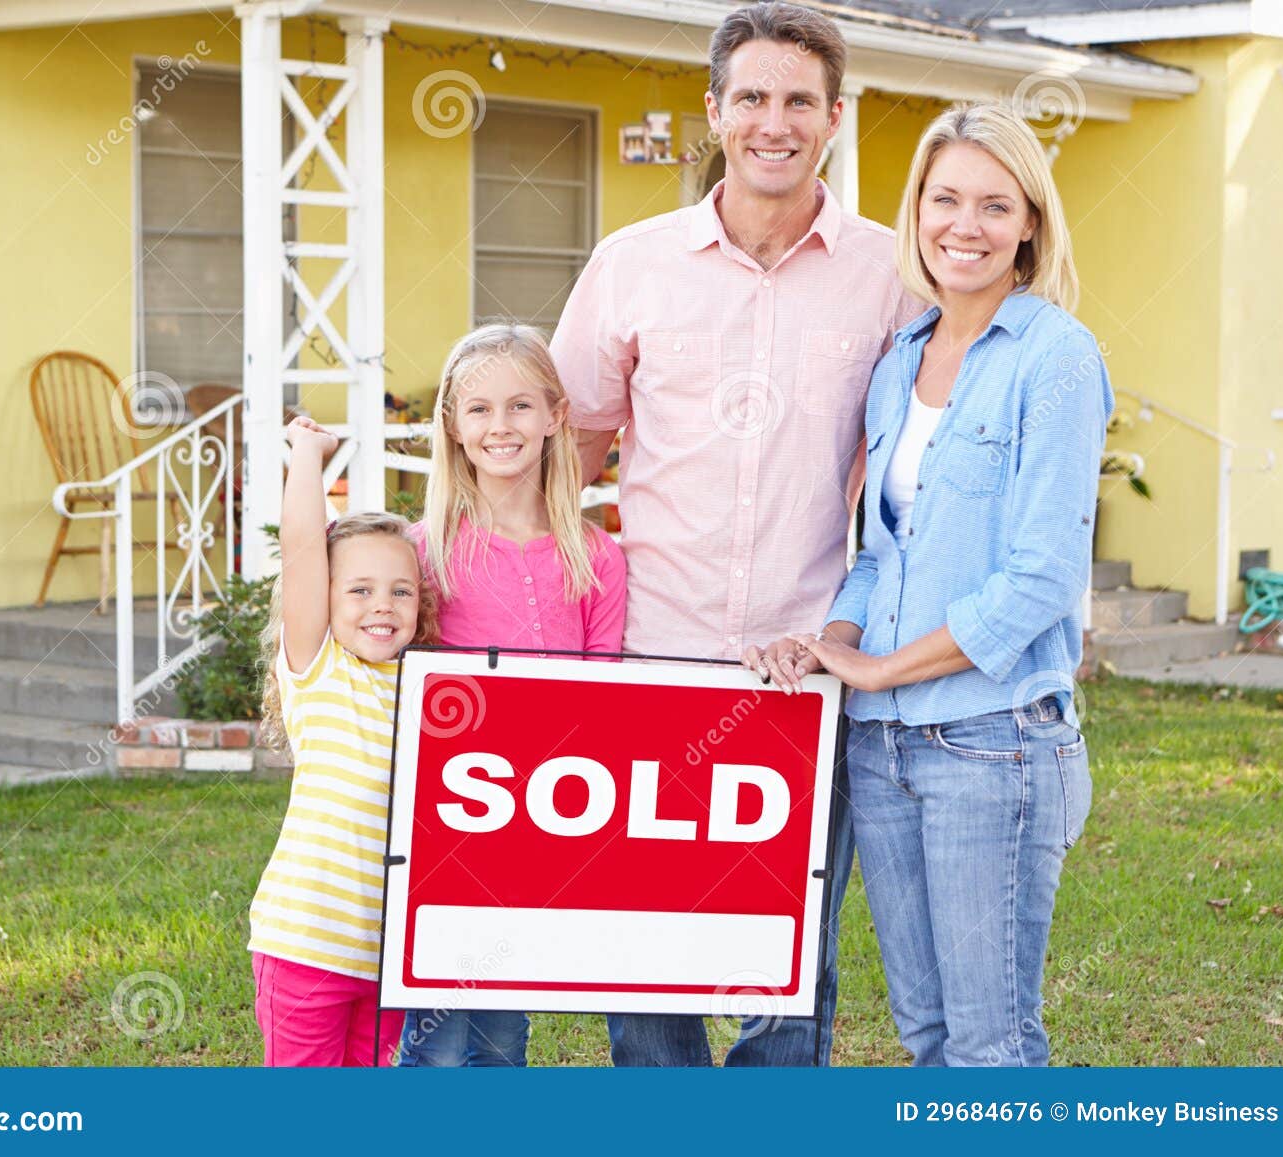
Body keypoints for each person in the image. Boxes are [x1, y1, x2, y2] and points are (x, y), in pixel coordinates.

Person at [551, 0, 920, 1066]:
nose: (775, 120)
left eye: (798, 99)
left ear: (834, 117)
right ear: (714, 111)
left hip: (804, 663)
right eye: (751, 96)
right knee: (644, 954)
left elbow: (915, 459)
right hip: (648, 653)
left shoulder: (890, 275)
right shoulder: (633, 262)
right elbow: (567, 443)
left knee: (790, 961)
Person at [747, 101, 1110, 1066]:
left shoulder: (1056, 357)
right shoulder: (900, 361)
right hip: (883, 751)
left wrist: (884, 669)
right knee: (929, 1035)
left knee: (991, 1043)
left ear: (1031, 221)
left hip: (992, 743)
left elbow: (1040, 576)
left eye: (996, 205)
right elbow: (879, 553)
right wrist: (832, 642)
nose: (966, 225)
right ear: (916, 212)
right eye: (945, 199)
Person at [398, 324, 627, 1067]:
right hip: (443, 825)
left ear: (557, 416)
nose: (502, 426)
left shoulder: (595, 557)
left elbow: (606, 704)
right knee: (433, 1039)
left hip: (537, 823)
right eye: (480, 410)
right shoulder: (424, 550)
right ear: (454, 429)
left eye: (522, 406)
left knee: (502, 1036)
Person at [247, 416, 438, 1067]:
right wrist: (308, 452)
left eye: (400, 591)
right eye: (359, 589)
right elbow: (302, 544)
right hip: (306, 946)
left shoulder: (426, 689)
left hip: (388, 961)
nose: (381, 605)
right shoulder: (320, 667)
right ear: (323, 598)